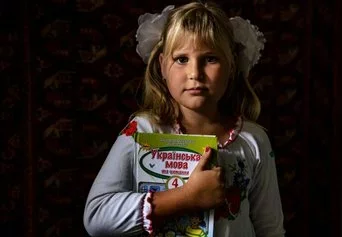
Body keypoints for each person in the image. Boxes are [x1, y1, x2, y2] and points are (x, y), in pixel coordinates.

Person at [83, 1, 285, 237]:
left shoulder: (254, 140)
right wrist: (186, 197)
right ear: (162, 66)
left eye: (210, 58)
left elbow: (270, 229)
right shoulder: (143, 131)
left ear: (232, 66)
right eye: (181, 59)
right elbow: (96, 216)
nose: (195, 73)